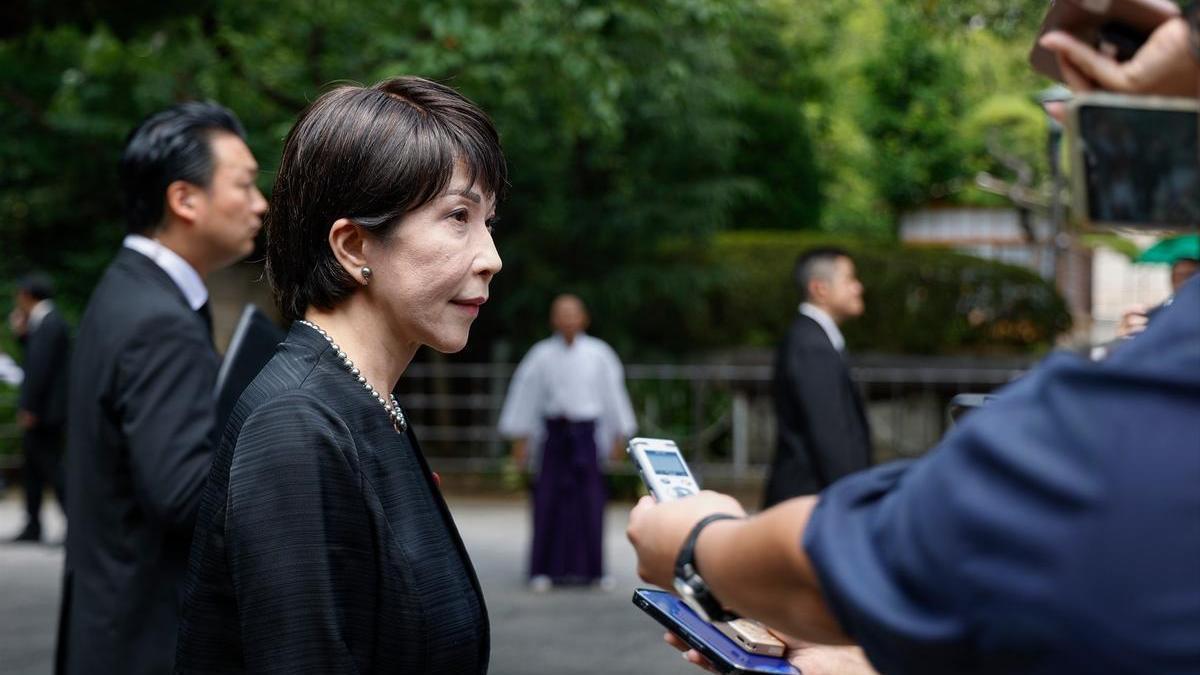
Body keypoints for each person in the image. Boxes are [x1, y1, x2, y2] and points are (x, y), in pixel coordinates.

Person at [626, 14, 1200, 675]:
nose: (1076, 101)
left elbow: (893, 559)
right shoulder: (807, 342)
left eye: (1108, 59)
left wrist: (698, 547)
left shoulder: (1135, 406)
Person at [175, 76, 502, 673]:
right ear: (354, 246)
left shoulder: (363, 400)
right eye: (458, 216)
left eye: (488, 223)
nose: (490, 257)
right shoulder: (297, 426)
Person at [58, 102, 266, 675]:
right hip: (146, 639)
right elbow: (181, 493)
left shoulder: (123, 290)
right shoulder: (159, 321)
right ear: (184, 200)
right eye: (245, 185)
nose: (260, 204)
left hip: (108, 625)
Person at [498, 294, 637, 590]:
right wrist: (521, 440)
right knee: (547, 501)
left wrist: (618, 437)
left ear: (584, 318)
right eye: (562, 313)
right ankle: (542, 569)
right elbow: (526, 398)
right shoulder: (541, 355)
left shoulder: (600, 354)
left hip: (586, 436)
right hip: (554, 436)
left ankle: (595, 571)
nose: (568, 319)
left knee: (591, 502)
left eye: (573, 313)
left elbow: (614, 397)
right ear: (553, 319)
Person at [762, 247, 871, 508]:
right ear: (820, 288)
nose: (858, 287)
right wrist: (856, 502)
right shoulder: (812, 346)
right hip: (808, 503)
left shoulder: (811, 339)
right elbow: (829, 436)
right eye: (849, 280)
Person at [9, 272, 70, 543]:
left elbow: (40, 369)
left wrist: (29, 407)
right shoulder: (44, 321)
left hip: (46, 411)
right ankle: (33, 524)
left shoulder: (49, 322)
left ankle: (75, 523)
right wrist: (22, 335)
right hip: (45, 409)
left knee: (51, 467)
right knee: (33, 467)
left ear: (27, 295)